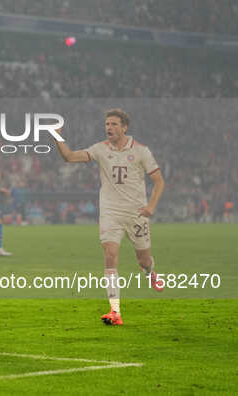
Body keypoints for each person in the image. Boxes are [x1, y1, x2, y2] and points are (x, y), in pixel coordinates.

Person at [54, 108, 165, 325]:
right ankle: (115, 311)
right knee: (110, 253)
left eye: (114, 124)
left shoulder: (142, 151)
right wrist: (57, 136)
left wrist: (151, 206)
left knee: (143, 259)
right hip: (110, 212)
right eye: (107, 124)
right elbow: (69, 156)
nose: (109, 128)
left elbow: (159, 181)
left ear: (124, 127)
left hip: (136, 213)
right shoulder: (100, 149)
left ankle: (150, 271)